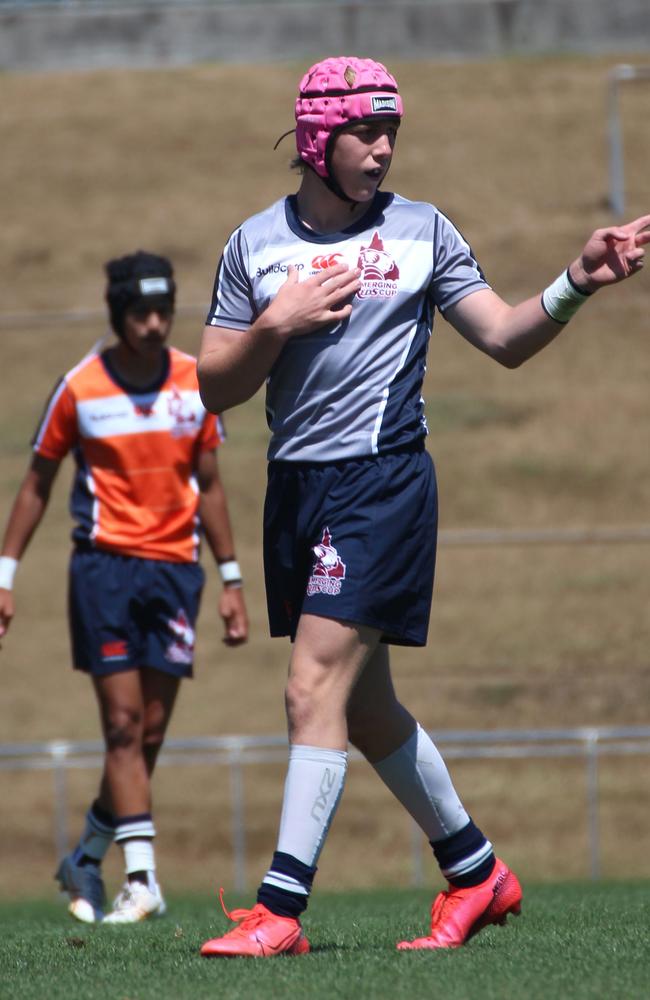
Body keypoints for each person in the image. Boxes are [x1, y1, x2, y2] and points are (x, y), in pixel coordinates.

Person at [195, 57, 649, 957]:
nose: (385, 148)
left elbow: (505, 337)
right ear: (319, 138)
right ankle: (479, 875)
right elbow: (214, 387)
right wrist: (273, 326)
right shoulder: (253, 247)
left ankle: (280, 911)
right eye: (368, 131)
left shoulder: (423, 230)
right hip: (297, 488)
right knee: (362, 712)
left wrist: (578, 279)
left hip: (383, 483)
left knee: (310, 687)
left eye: (393, 131)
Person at [0, 251, 249, 924]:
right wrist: (5, 575)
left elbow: (212, 487)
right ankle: (142, 880)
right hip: (103, 570)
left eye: (163, 310)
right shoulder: (80, 387)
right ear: (118, 314)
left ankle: (85, 854)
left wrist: (231, 578)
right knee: (121, 724)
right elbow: (36, 485)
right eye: (140, 311)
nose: (154, 323)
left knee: (151, 732)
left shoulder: (197, 383)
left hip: (176, 573)